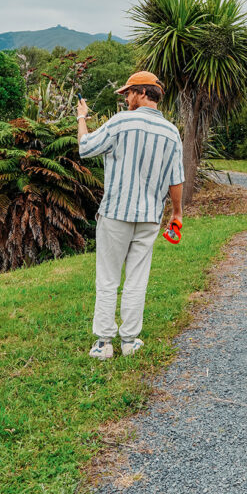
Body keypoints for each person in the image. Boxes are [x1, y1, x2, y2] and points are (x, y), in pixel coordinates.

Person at [77, 71, 184, 360]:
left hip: (115, 213)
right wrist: (177, 212)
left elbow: (85, 148)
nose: (125, 98)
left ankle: (103, 343)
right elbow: (176, 179)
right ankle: (129, 341)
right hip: (149, 215)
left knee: (109, 277)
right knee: (138, 278)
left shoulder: (121, 122)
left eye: (128, 93)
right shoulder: (171, 132)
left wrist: (82, 118)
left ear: (141, 93)